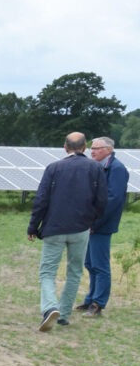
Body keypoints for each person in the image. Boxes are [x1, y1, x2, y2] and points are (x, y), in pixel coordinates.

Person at [26, 132, 105, 331]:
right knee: (74, 272)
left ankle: (50, 307)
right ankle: (64, 314)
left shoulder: (53, 168)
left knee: (47, 272)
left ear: (65, 147)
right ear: (85, 147)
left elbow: (41, 199)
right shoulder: (96, 168)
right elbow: (102, 200)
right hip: (81, 229)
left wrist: (33, 226)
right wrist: (90, 219)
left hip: (54, 228)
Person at [78, 136, 130, 317]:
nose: (92, 151)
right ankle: (90, 299)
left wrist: (95, 223)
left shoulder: (116, 169)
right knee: (90, 263)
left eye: (97, 148)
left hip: (101, 225)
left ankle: (98, 304)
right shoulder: (98, 166)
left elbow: (113, 200)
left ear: (108, 150)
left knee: (100, 265)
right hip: (90, 223)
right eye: (91, 148)